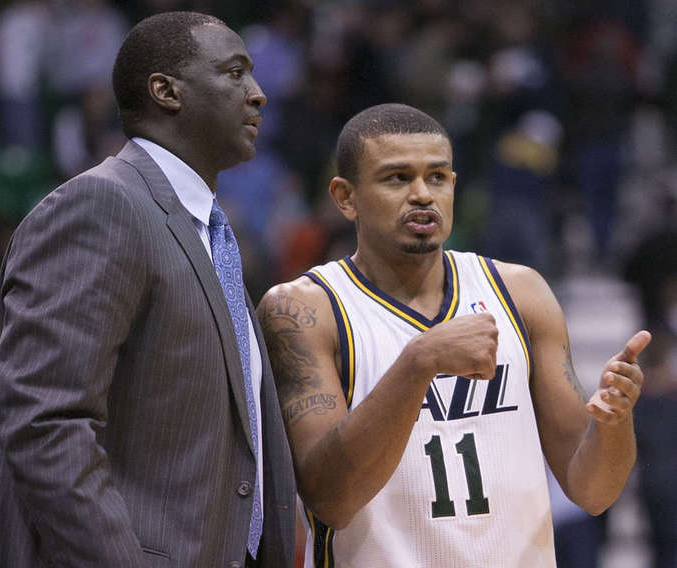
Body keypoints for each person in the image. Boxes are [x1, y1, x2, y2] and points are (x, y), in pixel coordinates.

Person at [257, 103, 650, 567]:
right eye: (397, 178)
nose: (422, 194)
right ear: (346, 197)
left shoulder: (520, 292)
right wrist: (418, 363)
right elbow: (331, 500)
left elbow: (593, 491)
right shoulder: (305, 309)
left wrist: (614, 423)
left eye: (437, 177)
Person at [0, 12, 295, 568]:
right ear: (166, 91)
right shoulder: (102, 206)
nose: (258, 94)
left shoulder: (209, 230)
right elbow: (45, 424)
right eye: (235, 73)